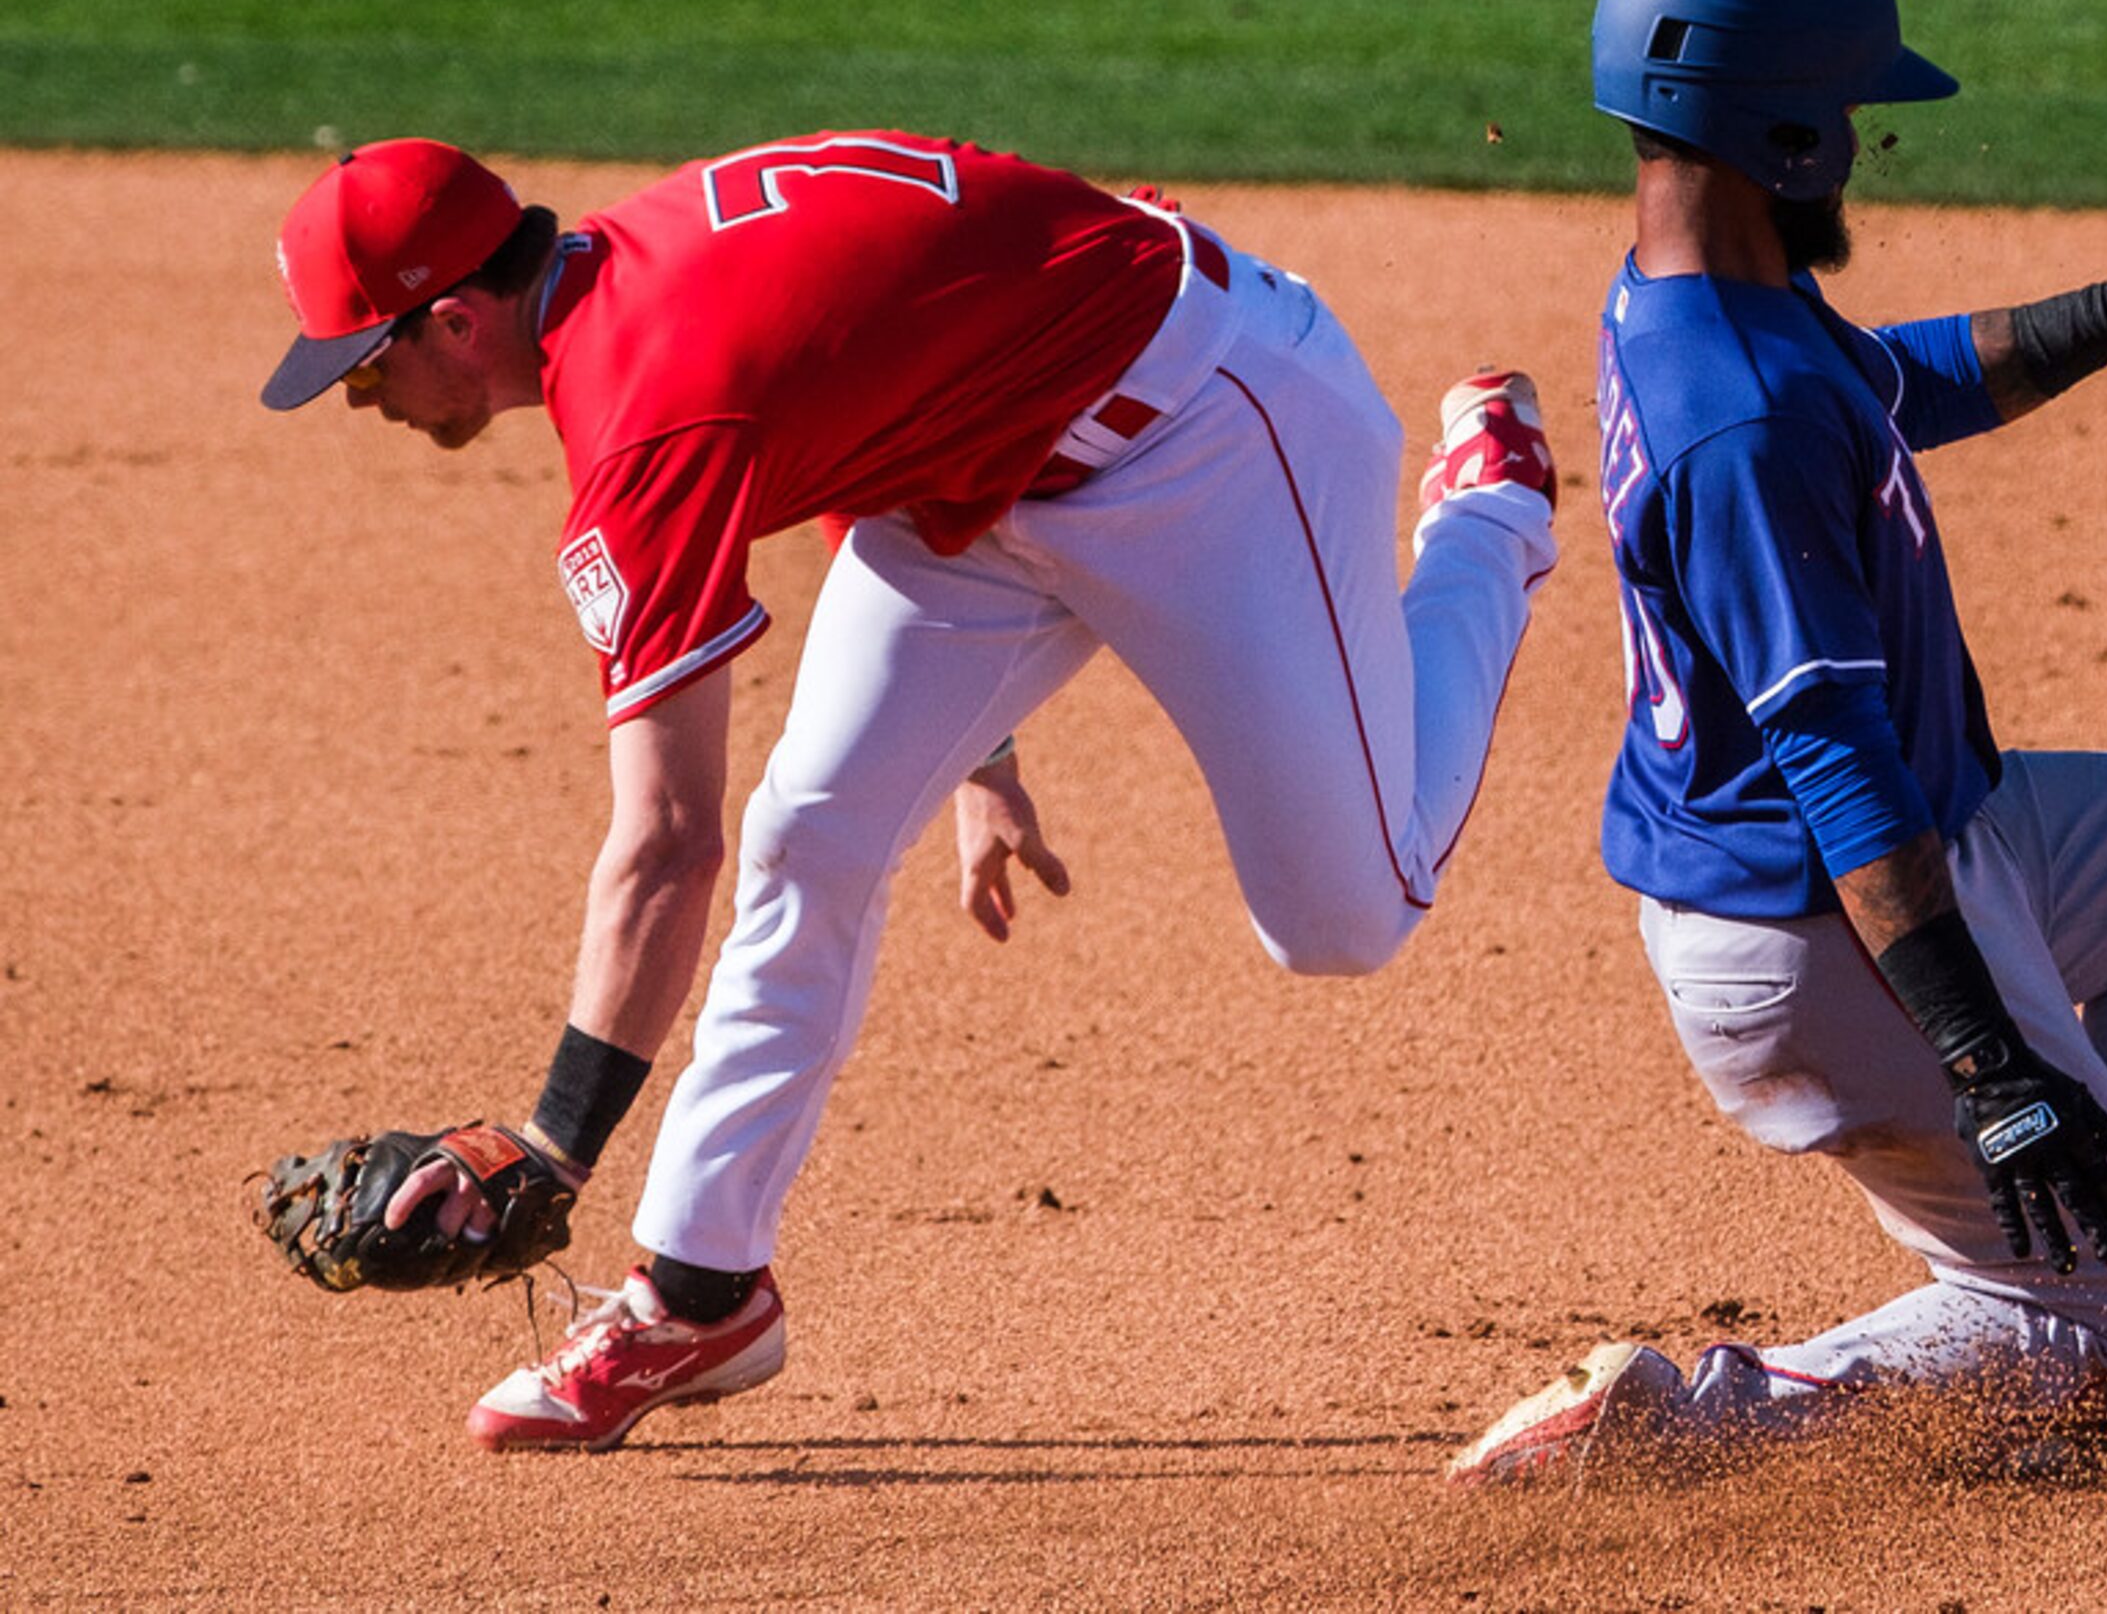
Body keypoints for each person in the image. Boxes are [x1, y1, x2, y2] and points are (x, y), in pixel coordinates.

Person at [262, 130, 1559, 1452]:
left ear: (460, 319)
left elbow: (663, 842)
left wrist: (547, 1145)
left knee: (1347, 915)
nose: (365, 401)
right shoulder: (647, 275)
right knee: (808, 834)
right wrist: (978, 750)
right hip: (980, 473)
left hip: (1210, 433)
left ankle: (1490, 519)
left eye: (368, 365)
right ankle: (699, 1292)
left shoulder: (649, 418)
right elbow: (853, 366)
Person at [1447, 0, 2107, 1485]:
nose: (1862, 145)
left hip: (1933, 842)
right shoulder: (1742, 416)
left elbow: (1889, 381)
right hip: (1825, 926)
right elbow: (1837, 767)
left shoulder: (1702, 299)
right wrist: (1994, 1070)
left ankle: (2054, 1316)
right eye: (1849, 117)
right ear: (1782, 134)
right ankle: (1694, 1418)